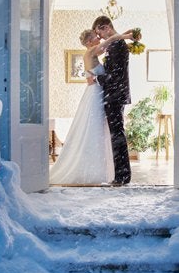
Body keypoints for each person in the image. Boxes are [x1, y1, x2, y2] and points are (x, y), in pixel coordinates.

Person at [49, 27, 134, 186]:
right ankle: (91, 170)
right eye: (96, 37)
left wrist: (125, 38)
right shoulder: (91, 51)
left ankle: (99, 170)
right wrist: (126, 36)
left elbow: (110, 48)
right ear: (89, 42)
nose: (99, 39)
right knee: (94, 130)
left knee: (96, 130)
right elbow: (109, 41)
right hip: (96, 94)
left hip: (98, 93)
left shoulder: (91, 53)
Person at [92, 15, 133, 187]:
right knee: (116, 134)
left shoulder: (117, 45)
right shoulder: (115, 43)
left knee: (117, 135)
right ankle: (122, 175)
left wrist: (97, 79)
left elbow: (114, 75)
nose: (99, 37)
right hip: (116, 95)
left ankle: (122, 177)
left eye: (99, 32)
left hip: (115, 95)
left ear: (106, 27)